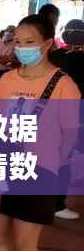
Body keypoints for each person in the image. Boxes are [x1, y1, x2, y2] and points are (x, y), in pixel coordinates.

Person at [0, 14, 80, 251]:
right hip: (3, 165)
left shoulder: (64, 85)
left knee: (26, 245)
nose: (22, 48)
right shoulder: (7, 80)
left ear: (46, 44)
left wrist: (51, 162)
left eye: (30, 42)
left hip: (38, 170)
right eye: (17, 41)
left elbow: (70, 135)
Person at [49, 19, 84, 220]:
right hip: (74, 114)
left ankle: (50, 202)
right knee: (64, 158)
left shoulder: (55, 57)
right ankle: (56, 205)